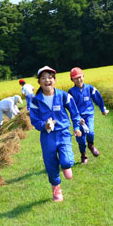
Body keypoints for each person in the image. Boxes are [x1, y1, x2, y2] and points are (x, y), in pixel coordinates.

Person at [29, 66, 83, 202]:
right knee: (50, 164)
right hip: (47, 136)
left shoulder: (64, 95)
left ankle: (65, 165)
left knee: (66, 161)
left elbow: (74, 113)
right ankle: (56, 190)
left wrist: (76, 127)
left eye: (50, 77)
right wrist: (44, 125)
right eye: (43, 78)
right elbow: (34, 120)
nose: (47, 80)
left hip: (63, 132)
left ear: (54, 80)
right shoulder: (36, 101)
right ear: (39, 82)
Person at [68, 67, 109, 164]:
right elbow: (71, 107)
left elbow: (97, 98)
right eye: (76, 78)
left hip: (89, 115)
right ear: (72, 80)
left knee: (90, 132)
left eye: (80, 77)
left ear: (83, 76)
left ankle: (91, 145)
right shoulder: (71, 92)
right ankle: (83, 155)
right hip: (78, 118)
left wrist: (102, 109)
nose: (79, 80)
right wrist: (77, 118)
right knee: (80, 139)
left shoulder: (90, 88)